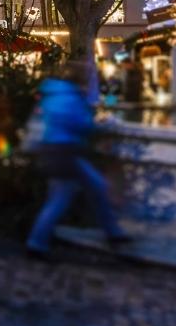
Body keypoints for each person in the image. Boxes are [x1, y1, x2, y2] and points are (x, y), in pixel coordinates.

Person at [25, 61, 131, 260]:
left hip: (53, 150)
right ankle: (36, 243)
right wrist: (99, 125)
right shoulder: (71, 97)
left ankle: (113, 232)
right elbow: (82, 124)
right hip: (66, 152)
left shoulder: (52, 94)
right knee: (62, 197)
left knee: (91, 188)